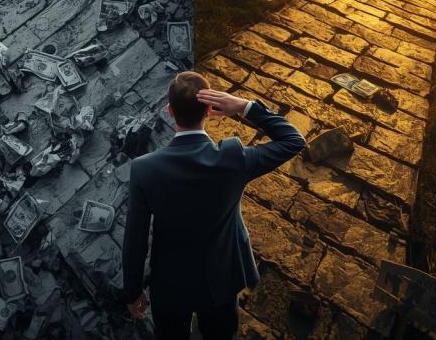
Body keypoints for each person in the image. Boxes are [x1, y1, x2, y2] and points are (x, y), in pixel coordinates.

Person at [122, 71, 307, 339]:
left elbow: (135, 238)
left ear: (170, 112)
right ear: (211, 109)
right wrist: (245, 106)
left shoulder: (143, 169)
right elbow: (293, 140)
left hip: (170, 282)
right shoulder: (234, 159)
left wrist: (132, 290)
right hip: (221, 276)